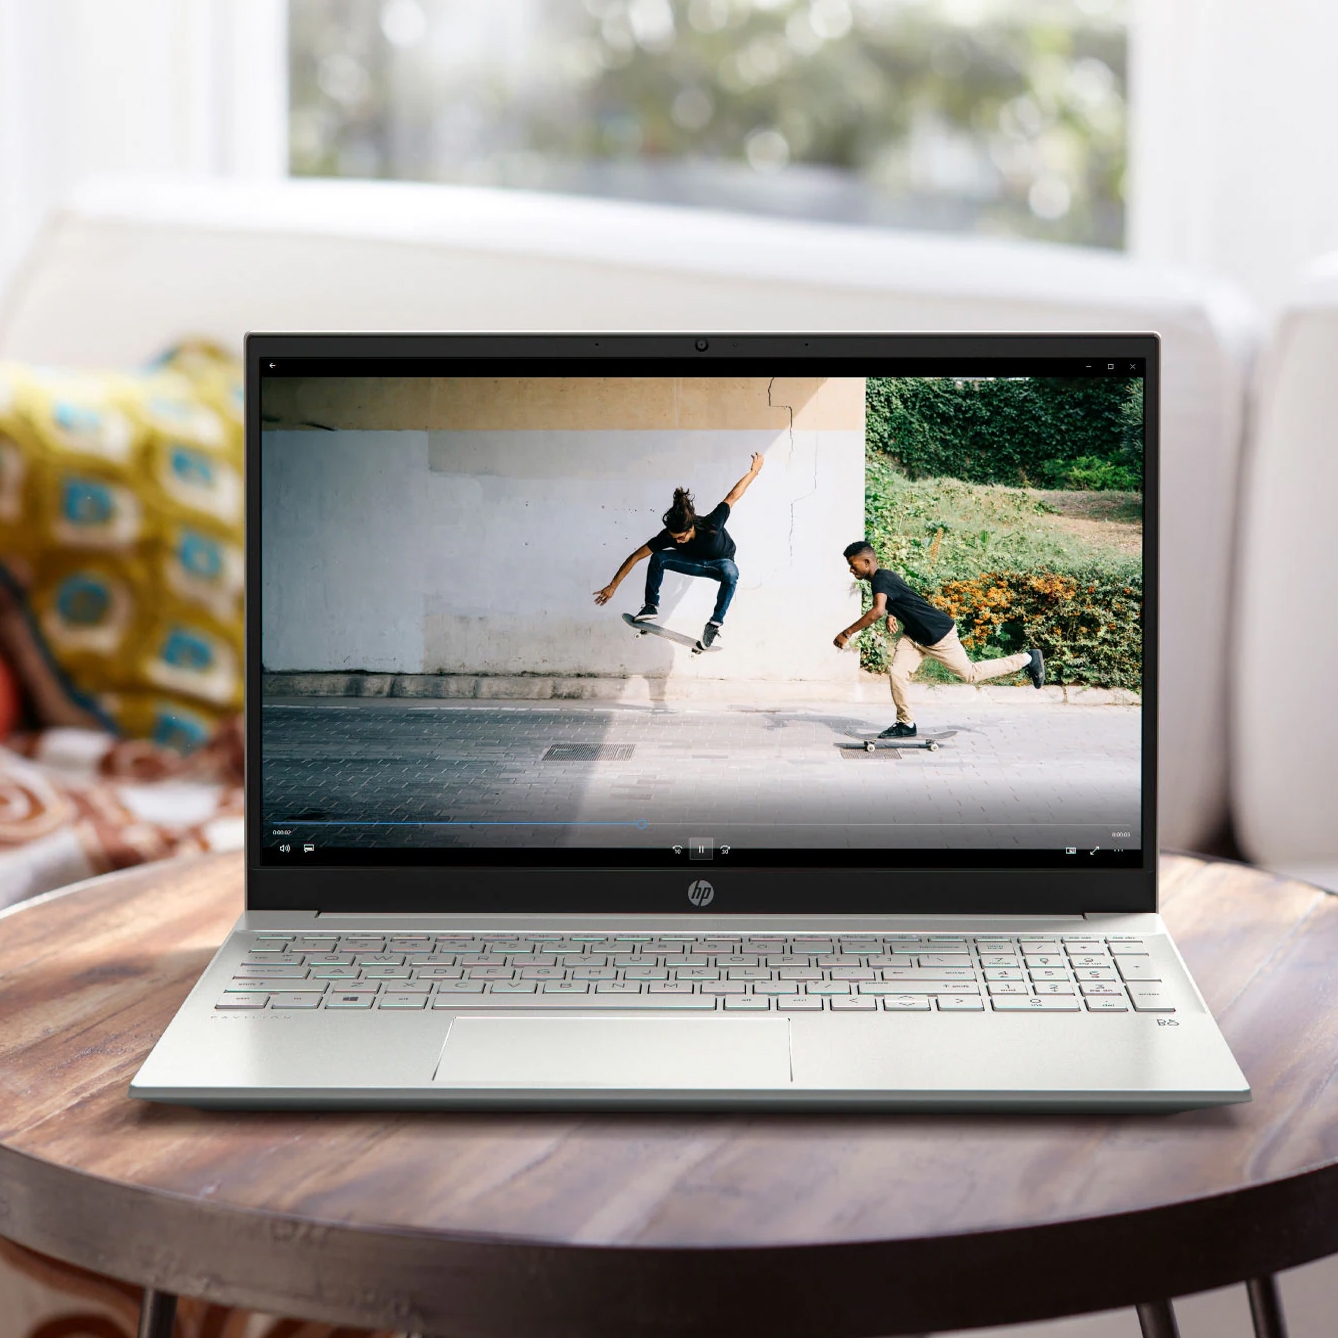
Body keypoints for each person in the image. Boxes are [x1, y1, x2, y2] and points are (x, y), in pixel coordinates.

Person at [833, 541, 1044, 738]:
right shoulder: (884, 578)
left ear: (867, 562)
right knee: (897, 673)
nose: (851, 570)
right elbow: (903, 599)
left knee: (970, 674)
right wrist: (892, 613)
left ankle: (1027, 658)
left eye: (853, 565)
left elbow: (876, 610)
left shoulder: (881, 578)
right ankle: (906, 723)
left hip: (938, 634)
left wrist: (847, 632)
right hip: (915, 636)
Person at [594, 454, 763, 650]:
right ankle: (651, 606)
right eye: (674, 538)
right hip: (693, 562)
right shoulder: (668, 536)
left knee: (732, 572)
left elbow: (733, 496)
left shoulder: (712, 524)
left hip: (719, 565)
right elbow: (636, 556)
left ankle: (714, 624)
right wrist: (613, 585)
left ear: (691, 527)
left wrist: (754, 470)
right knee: (658, 557)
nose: (677, 541)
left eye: (681, 537)